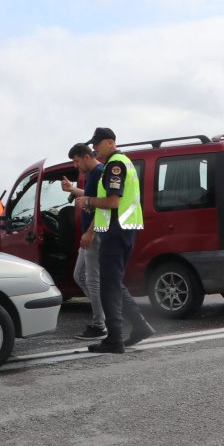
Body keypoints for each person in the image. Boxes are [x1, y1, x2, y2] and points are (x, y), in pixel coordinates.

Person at [76, 127, 154, 353]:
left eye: (98, 143)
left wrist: (88, 201)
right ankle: (139, 326)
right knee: (113, 283)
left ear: (111, 142)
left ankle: (115, 339)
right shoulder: (123, 162)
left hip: (116, 230)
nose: (94, 147)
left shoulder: (115, 165)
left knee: (108, 286)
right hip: (122, 229)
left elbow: (112, 202)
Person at [61, 143, 106, 340]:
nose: (75, 165)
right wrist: (72, 189)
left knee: (92, 279)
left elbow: (104, 205)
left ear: (87, 157)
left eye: (77, 161)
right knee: (79, 275)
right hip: (88, 234)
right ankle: (103, 315)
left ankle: (100, 324)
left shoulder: (99, 172)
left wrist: (90, 232)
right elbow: (90, 197)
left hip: (94, 234)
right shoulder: (91, 174)